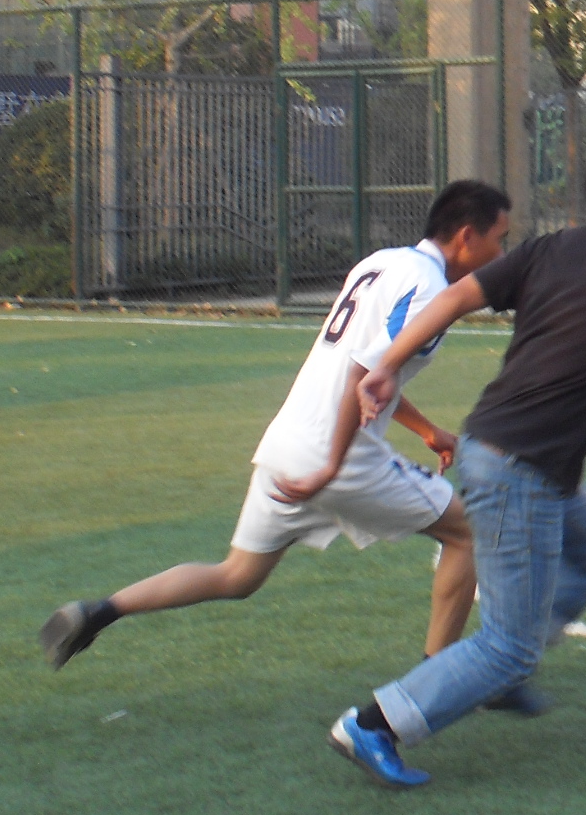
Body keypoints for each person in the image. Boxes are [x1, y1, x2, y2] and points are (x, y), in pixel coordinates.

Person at [328, 136, 586, 789]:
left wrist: (387, 365)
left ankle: (502, 664)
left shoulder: (549, 248)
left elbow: (450, 299)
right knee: (509, 646)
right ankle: (375, 723)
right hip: (520, 469)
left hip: (501, 450)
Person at [37, 180, 512, 670]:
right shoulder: (431, 290)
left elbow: (368, 371)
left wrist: (426, 430)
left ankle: (99, 611)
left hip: (288, 442)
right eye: (499, 238)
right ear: (466, 236)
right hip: (337, 454)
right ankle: (434, 684)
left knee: (238, 575)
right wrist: (330, 466)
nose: (502, 253)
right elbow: (363, 374)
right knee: (468, 533)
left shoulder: (380, 263)